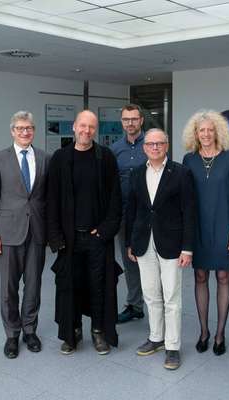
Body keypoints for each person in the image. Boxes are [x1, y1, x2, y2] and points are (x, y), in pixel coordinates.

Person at [46, 109, 123, 356]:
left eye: (91, 127)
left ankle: (98, 331)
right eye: (82, 125)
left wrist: (103, 231)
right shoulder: (60, 158)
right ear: (74, 127)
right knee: (70, 286)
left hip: (97, 238)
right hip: (69, 239)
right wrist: (55, 238)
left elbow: (115, 200)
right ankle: (73, 332)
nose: (86, 130)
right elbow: (52, 201)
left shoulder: (106, 157)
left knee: (99, 286)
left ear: (95, 130)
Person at [126, 128, 195, 370]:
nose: (154, 148)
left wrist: (187, 248)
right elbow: (131, 210)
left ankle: (172, 346)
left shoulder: (181, 173)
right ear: (144, 147)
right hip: (144, 242)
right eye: (150, 144)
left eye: (159, 144)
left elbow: (189, 213)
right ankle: (156, 337)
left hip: (172, 244)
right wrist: (130, 243)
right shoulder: (136, 173)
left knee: (172, 297)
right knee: (151, 294)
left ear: (166, 146)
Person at [0, 111, 50, 359]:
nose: (25, 132)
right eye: (20, 128)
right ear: (12, 131)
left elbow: (48, 198)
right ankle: (12, 334)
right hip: (8, 234)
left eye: (29, 128)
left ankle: (30, 330)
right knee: (8, 289)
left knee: (33, 286)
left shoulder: (45, 158)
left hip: (37, 233)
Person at [182, 110, 229, 356]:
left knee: (223, 277)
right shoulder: (189, 160)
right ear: (195, 134)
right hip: (197, 227)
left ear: (218, 132)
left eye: (210, 129)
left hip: (223, 225)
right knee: (199, 277)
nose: (206, 134)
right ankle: (204, 331)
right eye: (201, 130)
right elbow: (184, 199)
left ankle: (220, 333)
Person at [110, 104, 148, 324]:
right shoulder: (115, 149)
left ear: (141, 120)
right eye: (126, 119)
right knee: (130, 261)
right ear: (122, 122)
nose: (130, 123)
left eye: (134, 119)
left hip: (150, 215)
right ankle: (135, 305)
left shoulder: (153, 144)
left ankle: (157, 305)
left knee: (154, 260)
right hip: (126, 215)